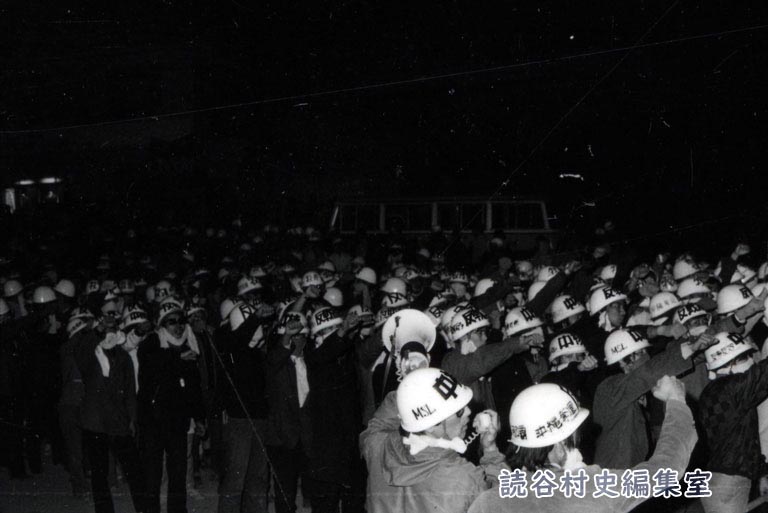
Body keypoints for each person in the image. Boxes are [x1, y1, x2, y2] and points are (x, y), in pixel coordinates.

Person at [468, 376, 697, 513]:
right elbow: (665, 469)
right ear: (560, 444)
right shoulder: (592, 488)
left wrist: (489, 449)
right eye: (574, 440)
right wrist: (676, 400)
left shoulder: (488, 502)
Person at [361, 367, 506, 513]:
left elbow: (384, 415)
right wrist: (491, 450)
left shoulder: (377, 444)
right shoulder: (464, 479)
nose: (468, 412)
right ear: (430, 426)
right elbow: (504, 501)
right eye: (459, 411)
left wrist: (415, 389)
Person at [138, 299, 206, 513]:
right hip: (153, 421)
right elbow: (150, 364)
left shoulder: (187, 346)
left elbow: (194, 387)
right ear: (162, 325)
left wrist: (199, 417)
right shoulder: (152, 342)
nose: (178, 326)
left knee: (178, 473)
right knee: (152, 475)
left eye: (181, 321)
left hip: (177, 421)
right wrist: (177, 358)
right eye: (171, 322)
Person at [699, 332, 768, 513]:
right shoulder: (730, 389)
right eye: (745, 357)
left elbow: (743, 439)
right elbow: (763, 374)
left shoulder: (717, 391)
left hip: (724, 482)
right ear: (727, 363)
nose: (751, 361)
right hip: (728, 484)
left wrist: (762, 473)